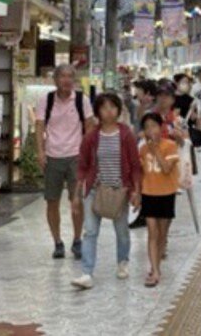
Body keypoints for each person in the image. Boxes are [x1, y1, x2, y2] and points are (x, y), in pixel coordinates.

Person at [73, 93, 143, 290]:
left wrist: (136, 191)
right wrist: (77, 194)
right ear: (98, 112)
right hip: (95, 190)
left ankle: (123, 261)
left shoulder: (126, 134)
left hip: (119, 191)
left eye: (113, 107)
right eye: (104, 107)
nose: (109, 111)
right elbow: (83, 165)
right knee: (90, 231)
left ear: (119, 110)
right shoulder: (91, 137)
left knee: (121, 232)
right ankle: (87, 272)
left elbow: (135, 165)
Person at [35, 64, 95, 260]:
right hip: (53, 156)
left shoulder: (81, 100)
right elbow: (39, 126)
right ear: (56, 79)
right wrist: (41, 152)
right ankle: (57, 242)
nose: (67, 80)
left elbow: (89, 128)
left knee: (76, 201)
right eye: (63, 76)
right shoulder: (46, 100)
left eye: (70, 76)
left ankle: (77, 240)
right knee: (52, 200)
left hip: (75, 156)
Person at [139, 112, 180, 287]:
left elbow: (165, 169)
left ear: (161, 127)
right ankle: (155, 271)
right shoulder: (142, 150)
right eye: (147, 127)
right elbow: (140, 174)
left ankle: (158, 264)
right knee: (152, 233)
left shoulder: (170, 146)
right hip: (149, 193)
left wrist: (155, 150)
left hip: (166, 193)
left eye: (154, 126)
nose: (151, 130)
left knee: (162, 234)